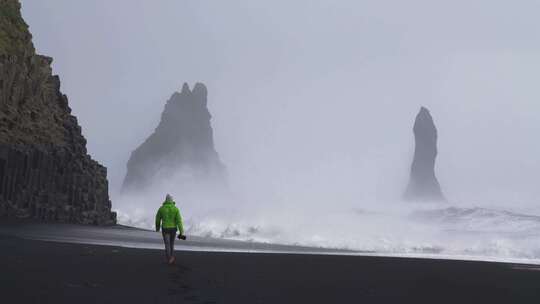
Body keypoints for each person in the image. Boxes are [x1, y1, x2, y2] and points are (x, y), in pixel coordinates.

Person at [155, 194, 184, 265]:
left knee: (167, 244)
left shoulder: (161, 208)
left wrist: (157, 228)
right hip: (173, 229)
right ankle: (172, 257)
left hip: (165, 229)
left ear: (166, 200)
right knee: (172, 244)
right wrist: (181, 231)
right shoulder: (176, 209)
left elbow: (157, 219)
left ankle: (169, 258)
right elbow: (179, 221)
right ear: (172, 200)